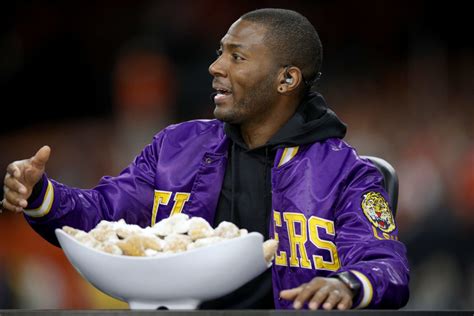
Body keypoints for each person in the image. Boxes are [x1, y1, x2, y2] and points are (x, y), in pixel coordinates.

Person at [1, 8, 409, 310]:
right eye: (220, 53)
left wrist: (348, 285)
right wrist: (41, 194)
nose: (215, 67)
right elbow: (104, 217)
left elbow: (385, 263)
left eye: (237, 57)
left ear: (287, 79)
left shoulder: (346, 173)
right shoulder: (176, 147)